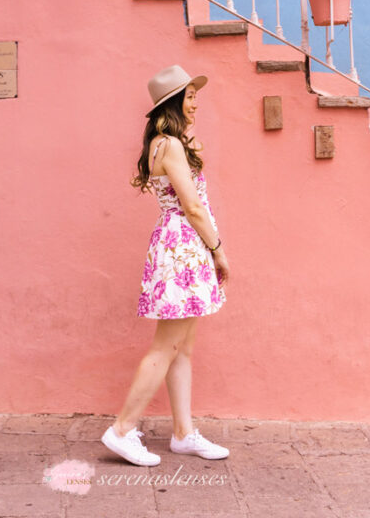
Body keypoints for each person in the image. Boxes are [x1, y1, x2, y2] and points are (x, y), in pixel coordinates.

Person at [101, 64, 230, 467]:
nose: (195, 105)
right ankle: (122, 429)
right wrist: (219, 249)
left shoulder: (164, 143)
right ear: (173, 102)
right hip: (184, 248)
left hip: (181, 247)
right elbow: (191, 206)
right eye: (190, 97)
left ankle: (183, 433)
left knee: (182, 348)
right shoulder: (170, 145)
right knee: (166, 346)